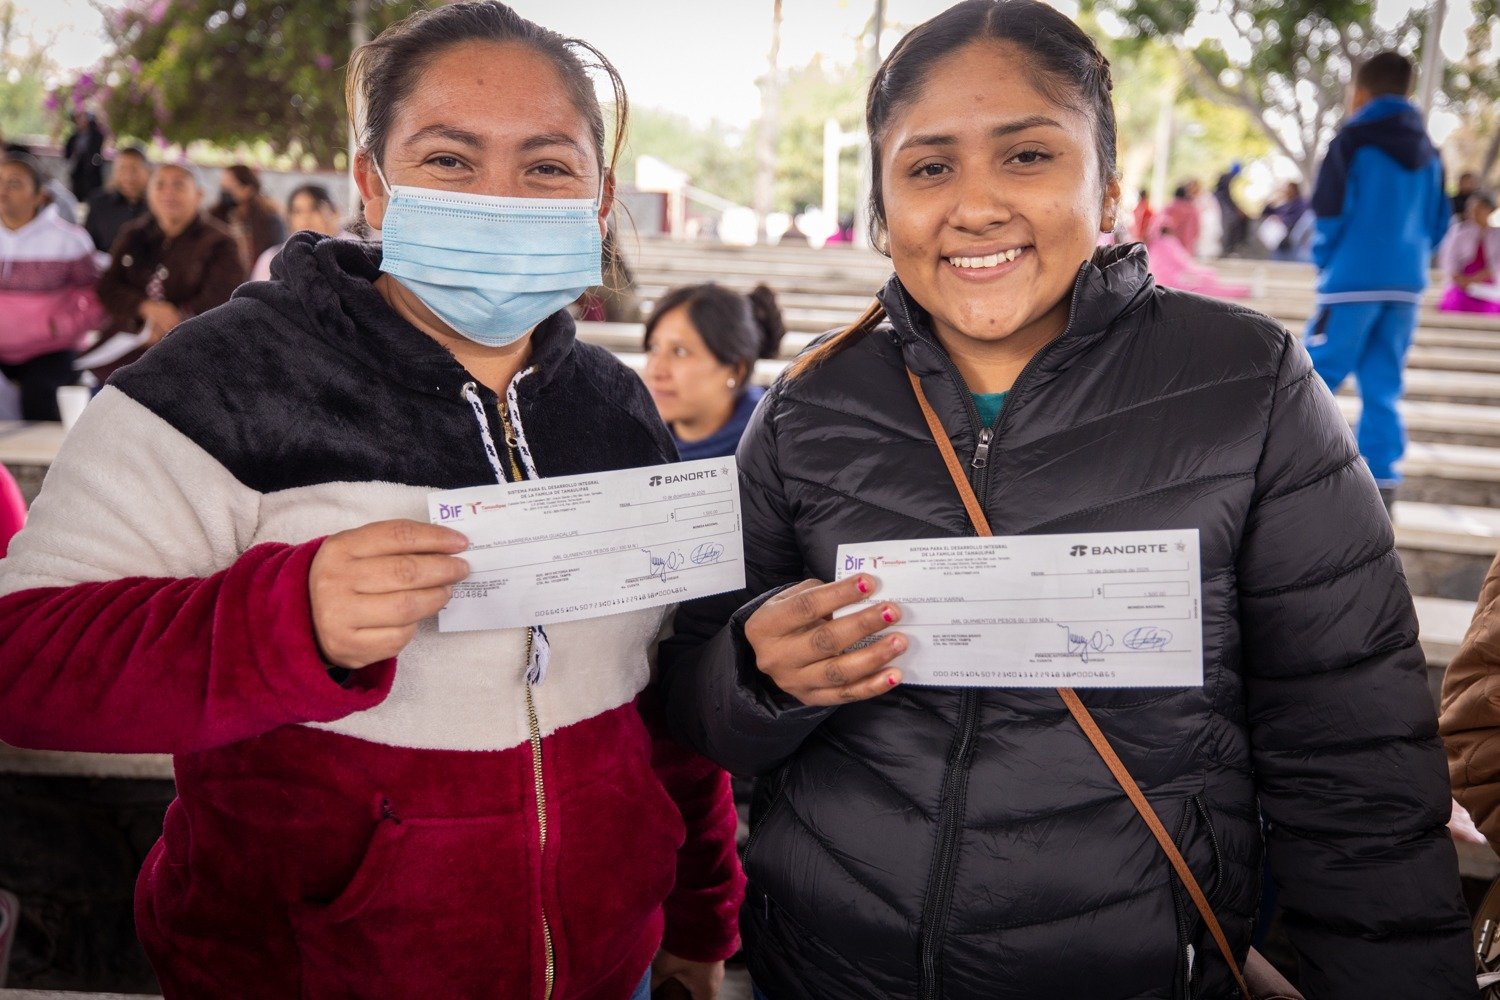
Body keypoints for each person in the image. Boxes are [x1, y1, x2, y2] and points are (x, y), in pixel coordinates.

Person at [659, 2, 1474, 998]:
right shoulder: (808, 407)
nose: (975, 206)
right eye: (928, 168)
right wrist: (757, 671)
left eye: (1028, 156)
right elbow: (695, 696)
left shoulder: (1247, 388)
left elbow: (1354, 763)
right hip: (830, 968)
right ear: (882, 207)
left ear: (1110, 187)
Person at [0, 5, 742, 998]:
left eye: (547, 167)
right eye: (448, 159)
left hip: (611, 968)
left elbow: (665, 706)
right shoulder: (217, 385)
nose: (499, 199)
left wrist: (699, 912)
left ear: (600, 198)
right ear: (373, 184)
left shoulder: (618, 410)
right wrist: (284, 620)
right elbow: (25, 662)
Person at [1306, 50, 1451, 513]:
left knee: (1312, 380)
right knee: (1384, 387)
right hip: (1405, 286)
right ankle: (1383, 490)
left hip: (1351, 281)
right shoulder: (1430, 152)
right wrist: (1411, 257)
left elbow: (1329, 210)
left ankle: (1293, 475)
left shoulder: (1351, 140)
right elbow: (1439, 222)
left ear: (1360, 93)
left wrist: (1326, 259)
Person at [93, 162, 244, 375]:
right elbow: (107, 286)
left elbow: (222, 298)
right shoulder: (133, 234)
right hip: (126, 344)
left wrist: (172, 320)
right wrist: (145, 307)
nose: (168, 193)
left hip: (191, 351)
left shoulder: (221, 242)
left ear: (199, 195)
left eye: (178, 185)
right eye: (160, 185)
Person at [0, 154, 104, 420]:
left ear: (40, 196)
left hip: (49, 350)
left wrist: (65, 326)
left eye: (14, 183)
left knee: (40, 403)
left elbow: (97, 295)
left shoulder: (70, 240)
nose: (3, 190)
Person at [643, 283, 785, 461]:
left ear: (736, 370)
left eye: (680, 351)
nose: (655, 370)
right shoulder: (633, 446)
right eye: (653, 348)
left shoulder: (781, 453)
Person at [250, 183, 351, 282]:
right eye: (297, 211)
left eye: (314, 209)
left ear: (335, 212)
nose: (305, 217)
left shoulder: (352, 248)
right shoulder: (272, 258)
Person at [1143, 213, 1250, 298]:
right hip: (1172, 282)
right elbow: (1183, 263)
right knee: (1207, 286)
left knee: (1204, 282)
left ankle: (1242, 290)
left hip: (1158, 282)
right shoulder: (1169, 242)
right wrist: (1202, 272)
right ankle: (1243, 290)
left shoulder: (1153, 244)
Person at [211, 163, 287, 271]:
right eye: (222, 186)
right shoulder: (217, 217)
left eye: (229, 187)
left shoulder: (270, 221)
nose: (224, 192)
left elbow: (275, 255)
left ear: (247, 189)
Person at [1437, 190, 1500, 315]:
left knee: (1488, 307)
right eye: (1471, 209)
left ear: (1489, 210)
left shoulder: (1497, 234)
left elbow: (1497, 264)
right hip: (1462, 281)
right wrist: (1461, 280)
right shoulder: (1459, 232)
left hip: (1488, 283)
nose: (1473, 212)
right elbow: (1449, 259)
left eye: (1479, 209)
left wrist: (1478, 278)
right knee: (1456, 303)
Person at [83, 145, 152, 253]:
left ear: (147, 172)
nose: (128, 176)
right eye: (122, 169)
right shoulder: (98, 202)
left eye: (134, 169)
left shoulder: (158, 205)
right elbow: (87, 245)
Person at [1258, 180, 1311, 262]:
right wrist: (1272, 202)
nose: (1286, 191)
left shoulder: (1301, 202)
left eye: (1288, 189)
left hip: (1293, 235)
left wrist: (1283, 220)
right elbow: (1266, 212)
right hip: (1281, 237)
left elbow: (1301, 217)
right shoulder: (1284, 204)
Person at [63, 109, 106, 202]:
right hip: (77, 174)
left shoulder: (96, 135)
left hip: (91, 173)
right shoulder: (73, 138)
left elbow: (96, 152)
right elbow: (67, 153)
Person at [1213, 163, 1249, 255]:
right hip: (1221, 202)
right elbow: (1227, 196)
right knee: (1233, 220)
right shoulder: (1228, 178)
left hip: (1223, 202)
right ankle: (1230, 247)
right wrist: (1236, 208)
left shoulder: (1229, 178)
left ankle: (1235, 246)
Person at [1162, 182, 1200, 256]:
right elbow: (1196, 228)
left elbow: (1163, 225)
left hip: (1172, 244)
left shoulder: (1169, 208)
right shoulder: (1192, 209)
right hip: (1187, 243)